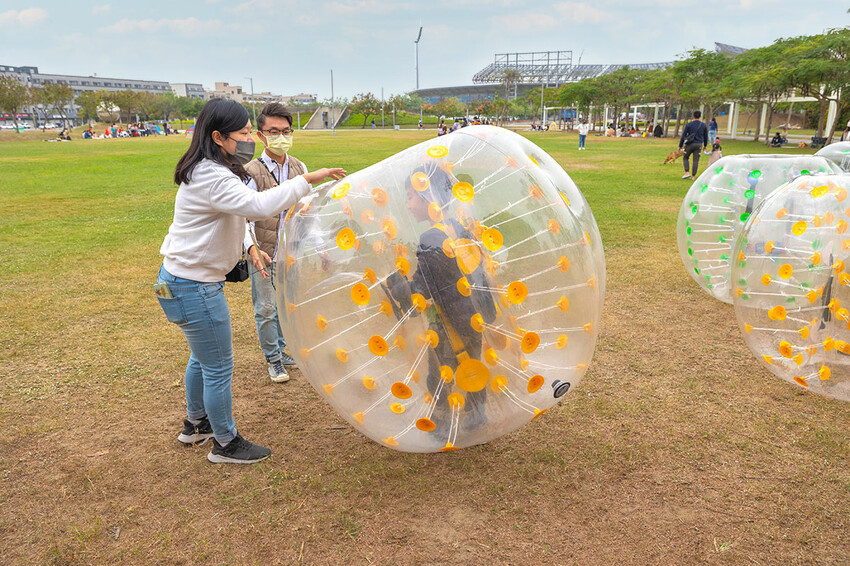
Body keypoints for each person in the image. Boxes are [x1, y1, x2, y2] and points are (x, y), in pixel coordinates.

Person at [155, 99, 345, 464]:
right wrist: (306, 180)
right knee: (217, 366)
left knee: (201, 358)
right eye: (243, 132)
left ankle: (197, 423)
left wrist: (250, 246)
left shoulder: (211, 170)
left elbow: (237, 213)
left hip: (182, 281)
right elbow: (258, 207)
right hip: (195, 286)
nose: (249, 138)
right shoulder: (211, 175)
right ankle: (225, 443)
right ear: (218, 137)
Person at [388, 164, 495, 441]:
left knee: (440, 374)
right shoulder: (458, 226)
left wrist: (397, 286)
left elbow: (421, 291)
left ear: (428, 197)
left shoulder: (430, 238)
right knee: (472, 361)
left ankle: (442, 423)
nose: (408, 205)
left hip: (446, 323)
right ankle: (476, 412)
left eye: (411, 197)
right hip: (472, 317)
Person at [243, 103, 303, 383]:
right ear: (260, 135)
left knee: (285, 305)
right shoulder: (250, 172)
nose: (281, 136)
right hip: (263, 253)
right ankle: (274, 359)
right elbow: (240, 218)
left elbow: (306, 210)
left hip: (290, 253)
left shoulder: (299, 167)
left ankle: (282, 348)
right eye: (274, 131)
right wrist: (252, 249)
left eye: (286, 131)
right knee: (266, 307)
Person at [678, 110, 708, 180]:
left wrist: (680, 145)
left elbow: (683, 135)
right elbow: (705, 136)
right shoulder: (703, 125)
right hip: (698, 144)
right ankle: (693, 176)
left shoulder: (689, 125)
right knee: (696, 160)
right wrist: (705, 145)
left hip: (689, 144)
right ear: (700, 116)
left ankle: (687, 172)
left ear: (693, 116)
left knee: (685, 157)